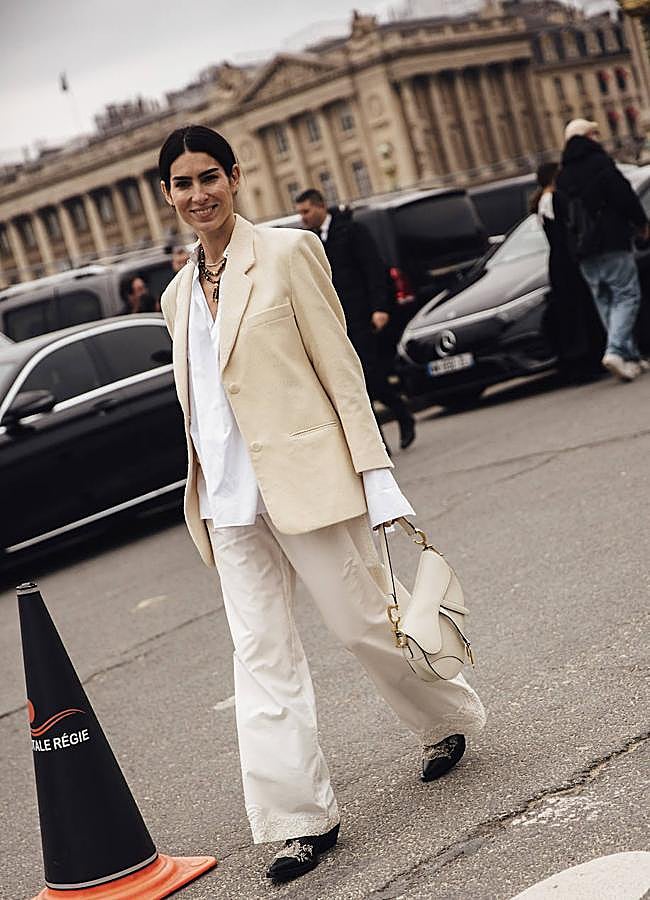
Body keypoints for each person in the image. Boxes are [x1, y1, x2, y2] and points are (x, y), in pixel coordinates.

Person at [158, 125, 485, 884]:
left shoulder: (288, 252)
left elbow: (341, 373)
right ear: (167, 195)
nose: (198, 194)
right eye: (183, 184)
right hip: (229, 506)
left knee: (365, 624)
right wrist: (205, 495)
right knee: (261, 659)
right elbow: (203, 407)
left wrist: (378, 480)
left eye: (210, 177)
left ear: (235, 177)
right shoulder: (176, 297)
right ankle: (301, 821)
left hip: (309, 484)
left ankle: (445, 718)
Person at [295, 189, 415, 452]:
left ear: (321, 207)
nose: (302, 217)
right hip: (334, 321)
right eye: (300, 212)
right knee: (351, 380)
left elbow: (374, 270)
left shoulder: (352, 230)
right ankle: (377, 440)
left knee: (370, 375)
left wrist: (380, 308)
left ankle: (402, 414)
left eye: (306, 211)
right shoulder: (308, 240)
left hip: (362, 315)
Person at [555, 118, 649, 382]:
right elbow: (623, 194)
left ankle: (629, 357)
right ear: (586, 137)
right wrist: (641, 223)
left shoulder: (562, 176)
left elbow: (563, 218)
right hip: (610, 241)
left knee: (606, 301)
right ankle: (617, 350)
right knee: (627, 296)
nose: (598, 137)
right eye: (594, 133)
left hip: (582, 250)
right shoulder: (599, 163)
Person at [532, 161, 604, 379]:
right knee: (581, 310)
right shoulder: (556, 198)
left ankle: (578, 361)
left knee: (571, 314)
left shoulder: (542, 202)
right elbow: (570, 229)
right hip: (568, 262)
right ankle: (588, 360)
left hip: (558, 262)